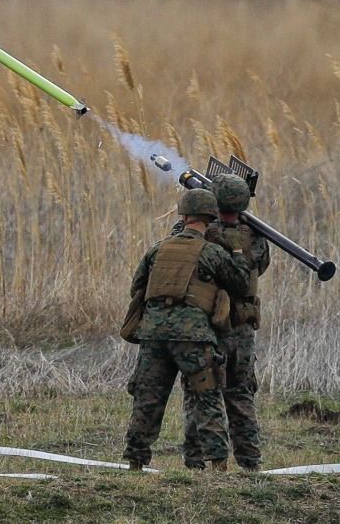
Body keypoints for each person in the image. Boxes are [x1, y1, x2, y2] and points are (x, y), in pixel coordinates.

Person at [123, 188, 252, 471]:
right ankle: (217, 463)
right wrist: (238, 249)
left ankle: (135, 460)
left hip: (153, 334)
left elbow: (137, 286)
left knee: (148, 399)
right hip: (193, 336)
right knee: (206, 397)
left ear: (183, 214)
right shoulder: (212, 252)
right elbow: (242, 285)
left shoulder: (158, 248)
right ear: (210, 216)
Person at [174, 174, 270, 472]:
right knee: (241, 394)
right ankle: (250, 462)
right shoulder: (255, 238)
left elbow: (179, 245)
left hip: (206, 325)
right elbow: (261, 267)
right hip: (241, 328)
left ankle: (196, 461)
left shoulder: (201, 234)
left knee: (200, 391)